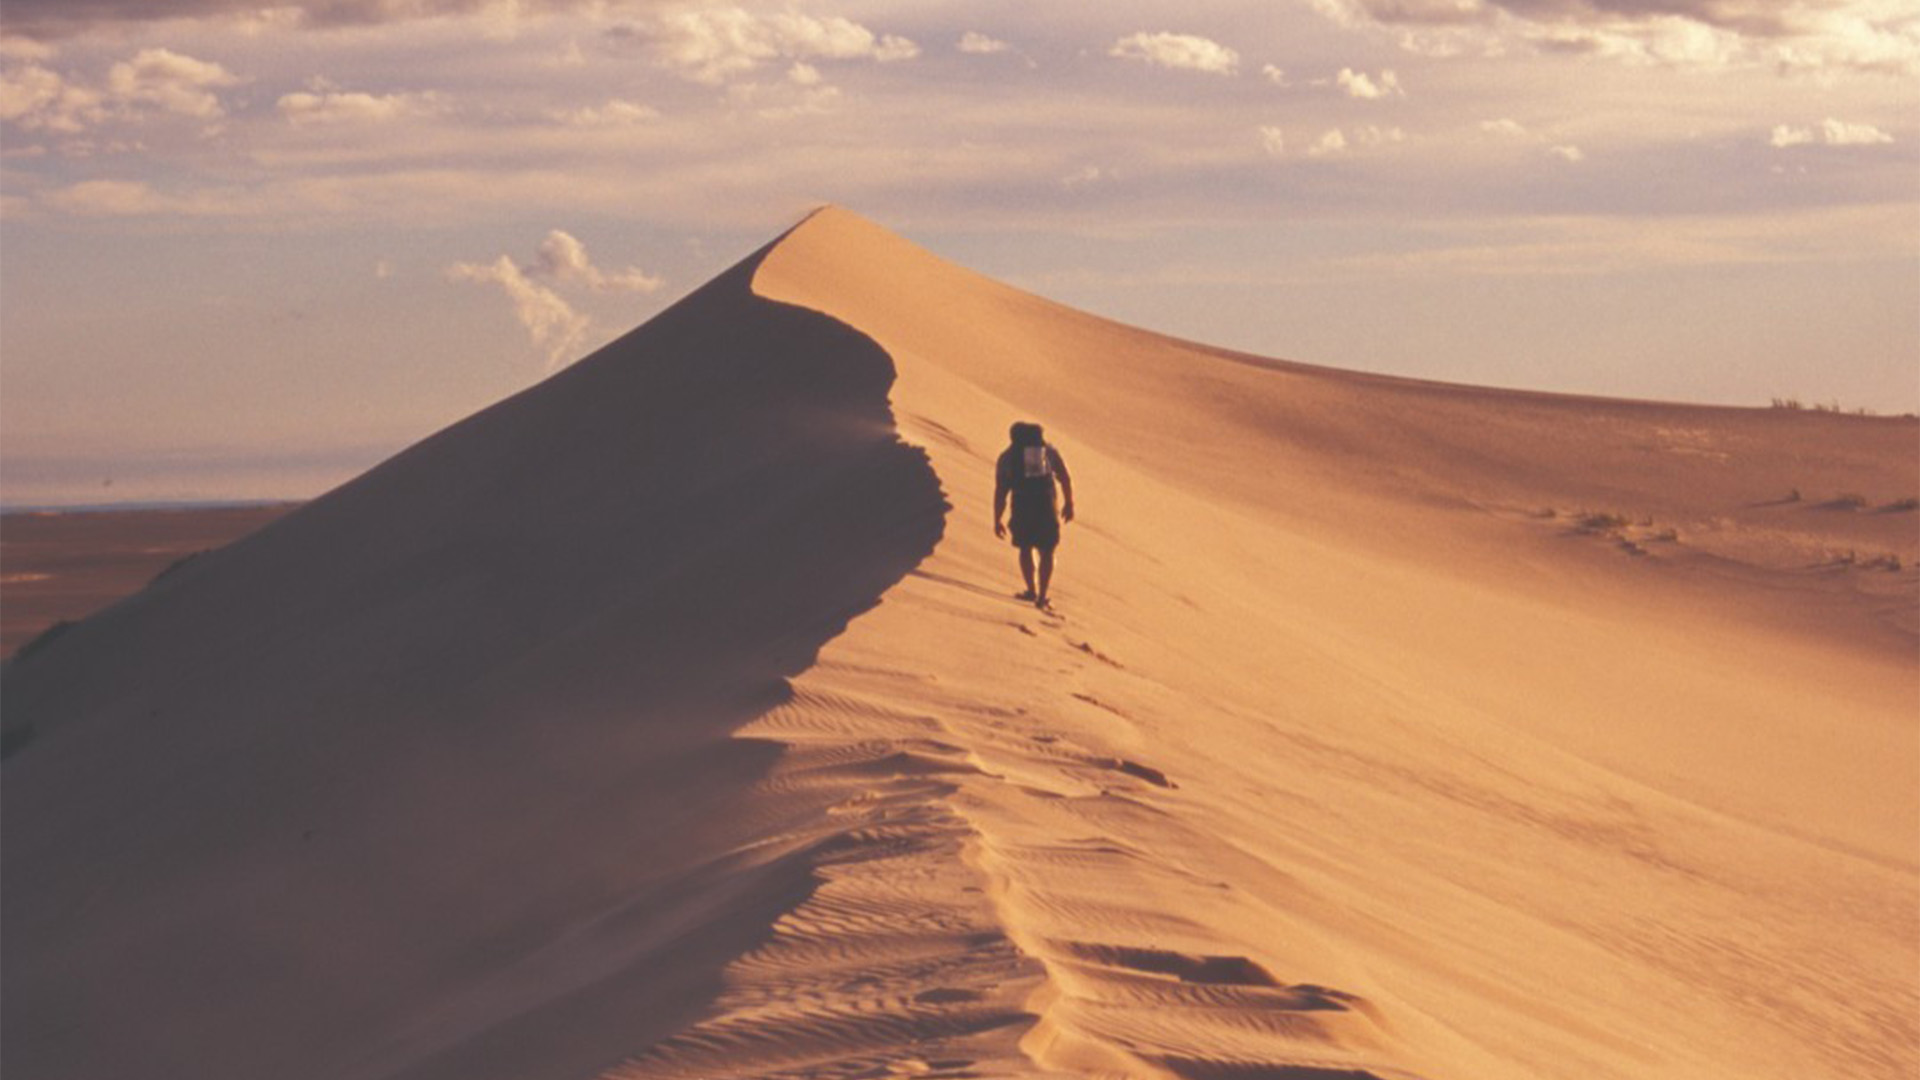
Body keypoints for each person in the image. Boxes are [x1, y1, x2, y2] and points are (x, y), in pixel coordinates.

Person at [993, 421, 1075, 609]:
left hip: (1022, 504)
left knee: (1025, 547)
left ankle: (1031, 590)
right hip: (1046, 504)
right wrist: (1069, 503)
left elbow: (1001, 490)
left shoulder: (1007, 457)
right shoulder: (1047, 451)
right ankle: (1042, 595)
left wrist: (997, 518)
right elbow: (1065, 477)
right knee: (1047, 550)